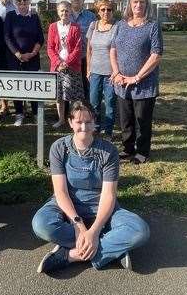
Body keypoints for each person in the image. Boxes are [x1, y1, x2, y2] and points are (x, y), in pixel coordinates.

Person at [32, 100, 149, 274]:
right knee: (41, 224)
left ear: (94, 122)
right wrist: (79, 226)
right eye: (79, 122)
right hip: (67, 208)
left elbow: (109, 194)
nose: (84, 127)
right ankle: (111, 249)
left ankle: (69, 255)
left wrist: (94, 231)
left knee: (140, 230)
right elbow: (61, 191)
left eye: (88, 122)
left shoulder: (108, 151)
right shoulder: (59, 148)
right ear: (71, 122)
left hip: (100, 207)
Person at [110, 0, 163, 164]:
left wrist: (137, 77)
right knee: (126, 120)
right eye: (135, 1)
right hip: (121, 82)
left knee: (142, 121)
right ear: (129, 4)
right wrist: (116, 72)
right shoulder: (120, 24)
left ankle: (142, 151)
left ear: (147, 4)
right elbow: (113, 49)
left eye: (142, 1)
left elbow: (156, 54)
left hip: (144, 84)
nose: (138, 5)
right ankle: (127, 148)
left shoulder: (152, 26)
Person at [4, 0, 44, 126]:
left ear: (29, 2)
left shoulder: (34, 16)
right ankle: (19, 114)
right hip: (15, 58)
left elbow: (40, 38)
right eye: (19, 0)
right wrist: (18, 54)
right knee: (18, 87)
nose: (22, 2)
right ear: (15, 2)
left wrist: (32, 53)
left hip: (33, 58)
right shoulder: (10, 16)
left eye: (25, 0)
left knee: (33, 87)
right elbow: (7, 37)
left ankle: (35, 114)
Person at [47, 1, 84, 128]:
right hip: (57, 67)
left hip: (72, 66)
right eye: (62, 10)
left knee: (74, 97)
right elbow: (50, 48)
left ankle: (75, 120)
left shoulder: (76, 27)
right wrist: (58, 62)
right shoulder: (52, 27)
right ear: (58, 12)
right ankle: (61, 119)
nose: (64, 13)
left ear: (71, 12)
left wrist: (67, 62)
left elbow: (78, 48)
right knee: (59, 95)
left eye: (67, 10)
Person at [86, 0, 118, 138]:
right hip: (95, 72)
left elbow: (119, 51)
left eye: (109, 9)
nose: (106, 12)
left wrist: (116, 72)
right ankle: (95, 130)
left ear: (113, 11)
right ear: (98, 11)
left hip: (110, 74)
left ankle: (108, 132)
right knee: (94, 103)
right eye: (103, 9)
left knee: (110, 104)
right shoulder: (93, 25)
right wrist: (88, 69)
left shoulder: (117, 27)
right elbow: (89, 50)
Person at [69, 0, 96, 99]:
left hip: (85, 56)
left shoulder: (91, 17)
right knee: (70, 84)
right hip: (69, 58)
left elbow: (94, 38)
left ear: (83, 0)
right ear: (70, 0)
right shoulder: (65, 15)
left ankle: (87, 110)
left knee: (86, 84)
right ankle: (71, 112)